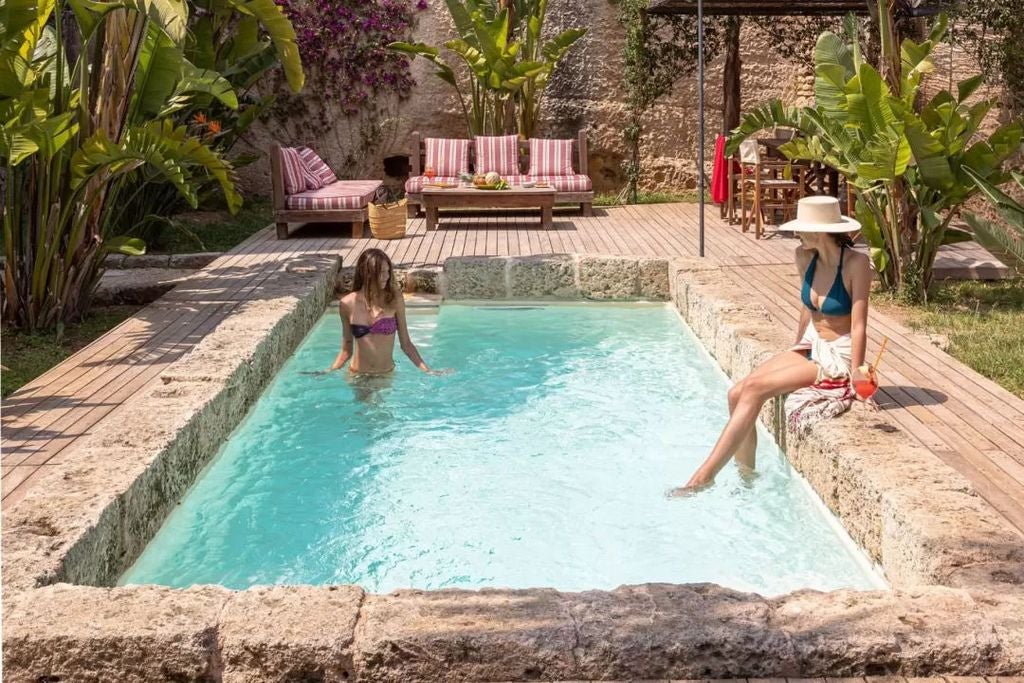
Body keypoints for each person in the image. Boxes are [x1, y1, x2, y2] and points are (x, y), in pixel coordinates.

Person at [674, 196, 873, 494]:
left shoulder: (857, 264)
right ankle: (747, 476)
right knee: (736, 393)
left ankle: (703, 476)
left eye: (801, 228)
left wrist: (858, 376)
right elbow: (807, 308)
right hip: (812, 344)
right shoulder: (804, 256)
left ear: (820, 231)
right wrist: (794, 350)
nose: (796, 234)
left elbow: (859, 326)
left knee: (754, 390)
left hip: (838, 355)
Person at [328, 248, 441, 375]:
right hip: (357, 375)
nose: (386, 277)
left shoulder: (394, 299)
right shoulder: (347, 304)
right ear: (366, 273)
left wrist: (427, 371)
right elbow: (346, 350)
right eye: (381, 272)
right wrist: (329, 372)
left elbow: (406, 344)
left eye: (388, 271)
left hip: (386, 374)